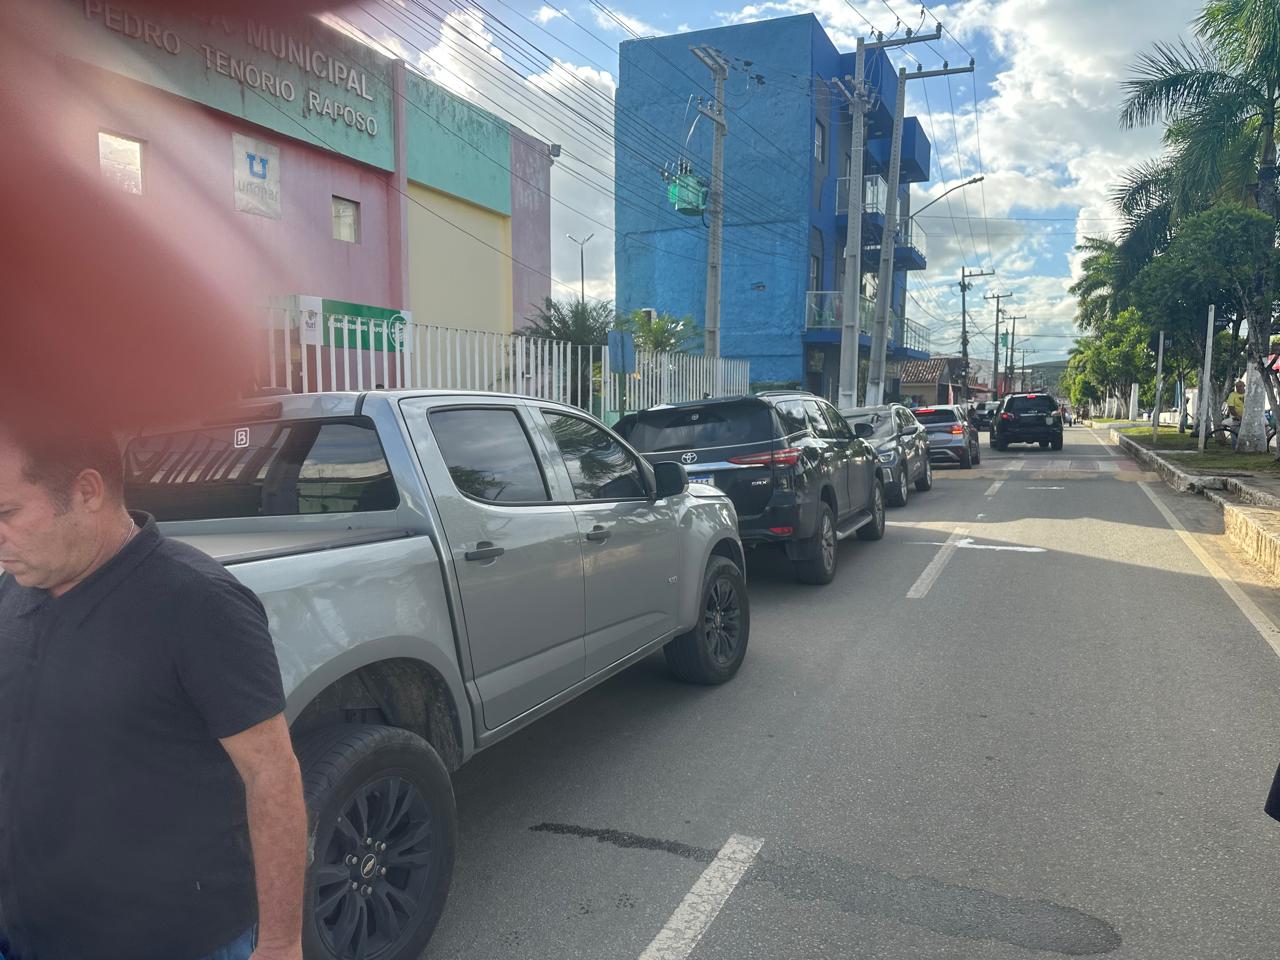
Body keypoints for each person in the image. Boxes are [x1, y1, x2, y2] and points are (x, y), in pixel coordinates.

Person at [0, 420, 306, 960]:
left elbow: (271, 774)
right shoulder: (18, 586)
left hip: (167, 938)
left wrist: (280, 943)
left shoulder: (197, 602)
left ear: (87, 491)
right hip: (26, 928)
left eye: (7, 513)